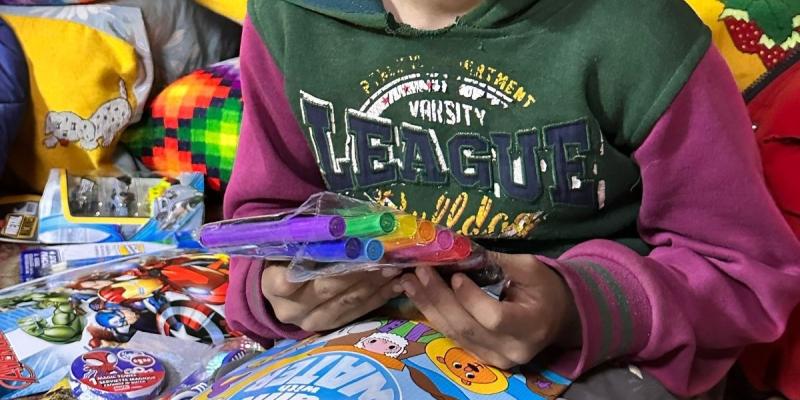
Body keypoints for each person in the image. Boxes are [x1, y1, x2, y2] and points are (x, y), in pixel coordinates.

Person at [223, 0, 800, 397]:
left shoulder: (640, 31)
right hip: (369, 342)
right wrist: (276, 289)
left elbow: (745, 276)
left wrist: (578, 308)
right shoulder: (287, 18)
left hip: (599, 353)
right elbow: (264, 219)